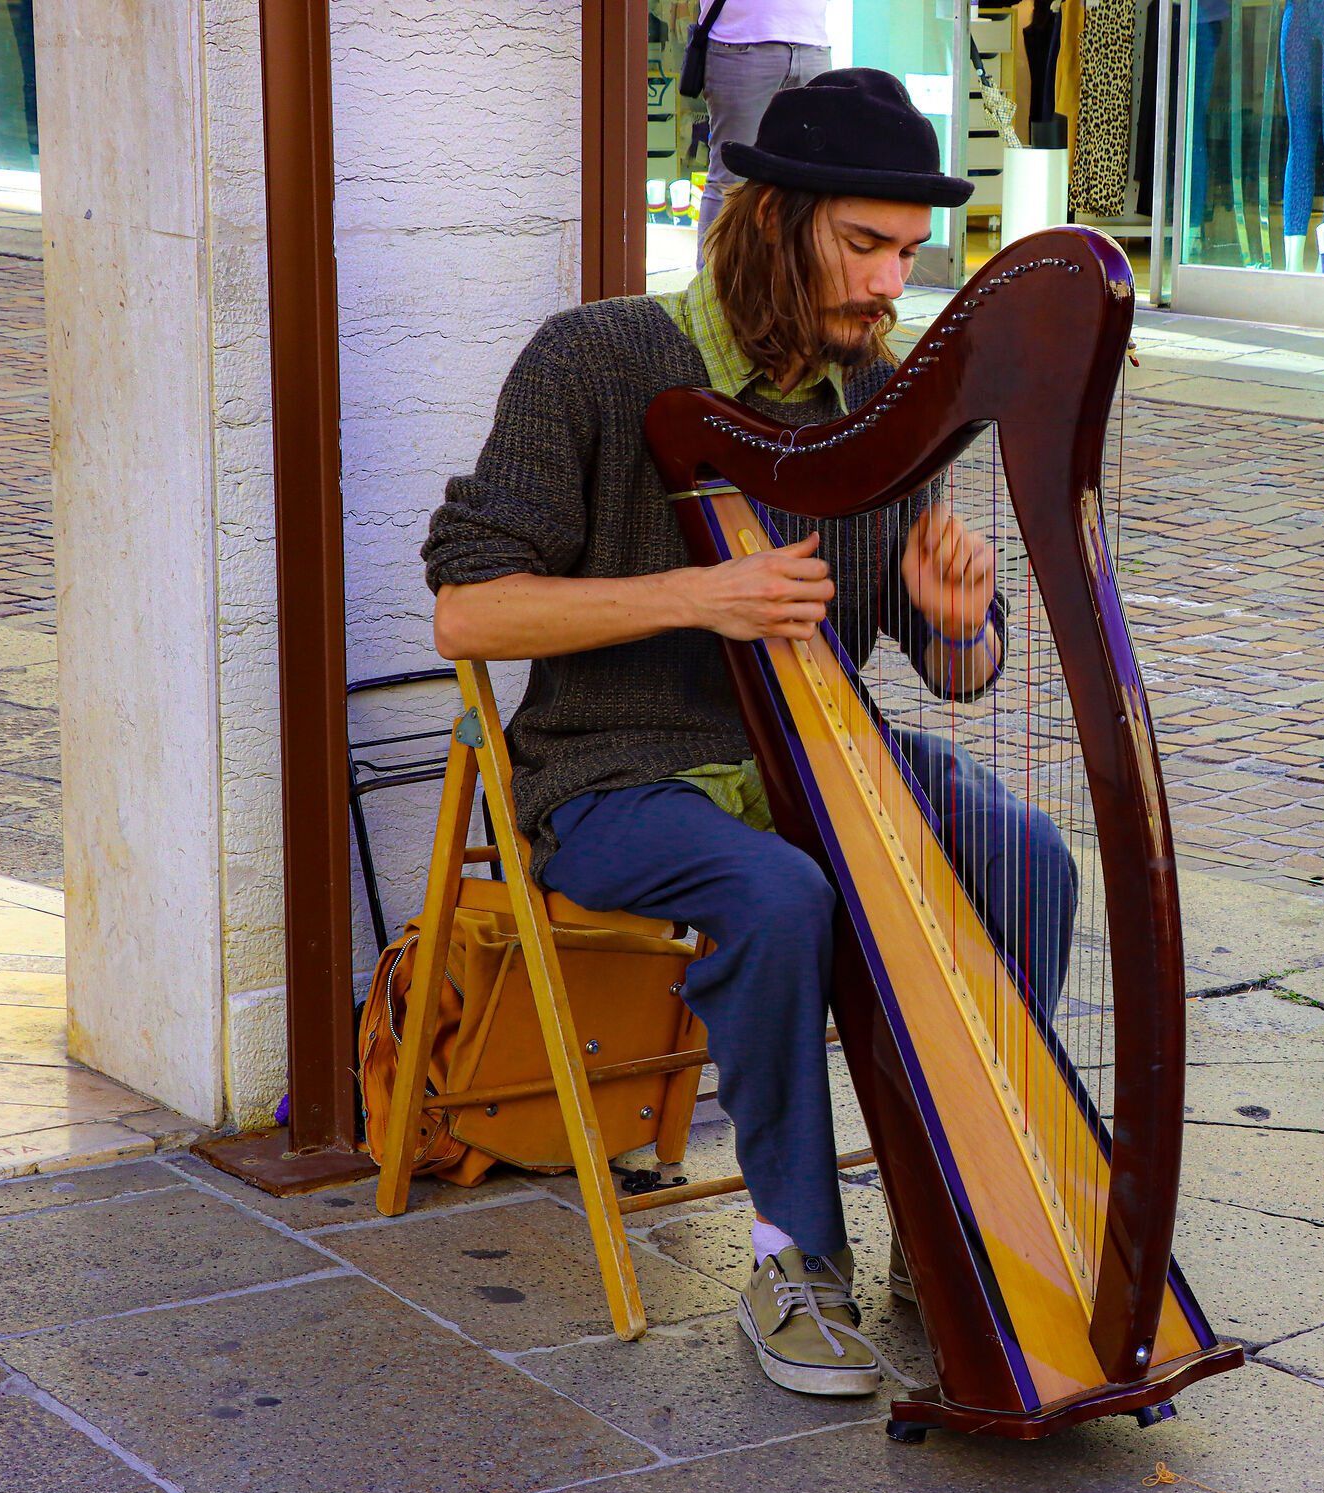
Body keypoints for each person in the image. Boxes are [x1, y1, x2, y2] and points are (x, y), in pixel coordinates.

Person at [422, 70, 1077, 1398]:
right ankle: (794, 1260)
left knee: (1030, 857)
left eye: (910, 251)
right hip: (619, 774)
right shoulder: (597, 360)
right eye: (865, 245)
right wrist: (698, 596)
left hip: (825, 760)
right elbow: (465, 610)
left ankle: (958, 1206)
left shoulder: (875, 399)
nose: (894, 284)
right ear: (772, 224)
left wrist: (958, 622)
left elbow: (954, 669)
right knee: (779, 897)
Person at [693, 0, 831, 249]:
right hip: (740, 42)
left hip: (812, 44)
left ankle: (791, 281)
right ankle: (715, 283)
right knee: (731, 175)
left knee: (807, 177)